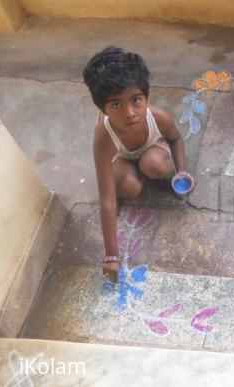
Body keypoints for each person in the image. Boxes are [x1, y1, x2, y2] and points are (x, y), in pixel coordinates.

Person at [83, 46, 194, 282]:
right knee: (129, 188)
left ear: (146, 96)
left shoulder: (157, 116)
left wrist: (182, 172)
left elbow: (176, 139)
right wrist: (111, 256)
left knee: (154, 165)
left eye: (136, 100)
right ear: (102, 109)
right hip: (123, 157)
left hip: (152, 148)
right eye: (116, 105)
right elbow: (107, 199)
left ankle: (150, 171)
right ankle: (138, 174)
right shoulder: (103, 138)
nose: (130, 113)